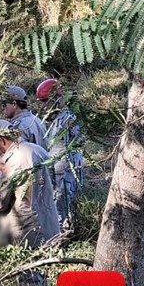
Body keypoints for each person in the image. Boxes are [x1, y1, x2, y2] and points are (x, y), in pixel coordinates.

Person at [0, 119, 60, 248]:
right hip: (49, 222)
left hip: (26, 227)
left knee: (30, 264)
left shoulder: (9, 161)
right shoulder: (38, 150)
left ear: (1, 140)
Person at [36, 78, 84, 228]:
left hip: (66, 170)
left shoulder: (67, 119)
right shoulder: (52, 120)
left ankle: (63, 233)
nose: (42, 106)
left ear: (55, 99)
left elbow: (79, 141)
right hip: (56, 168)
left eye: (44, 101)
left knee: (63, 200)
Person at [0, 85, 48, 149]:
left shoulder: (18, 126)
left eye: (4, 104)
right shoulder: (37, 119)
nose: (2, 108)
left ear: (14, 104)